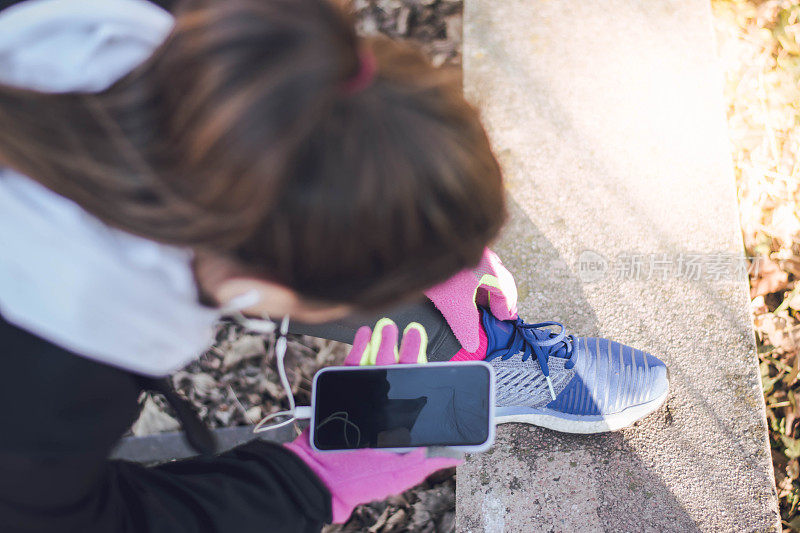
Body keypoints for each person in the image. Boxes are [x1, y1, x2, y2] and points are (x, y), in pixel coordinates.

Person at [0, 0, 669, 531]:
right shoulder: (40, 401)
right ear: (250, 290)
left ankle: (476, 350)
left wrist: (412, 227)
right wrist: (310, 480)